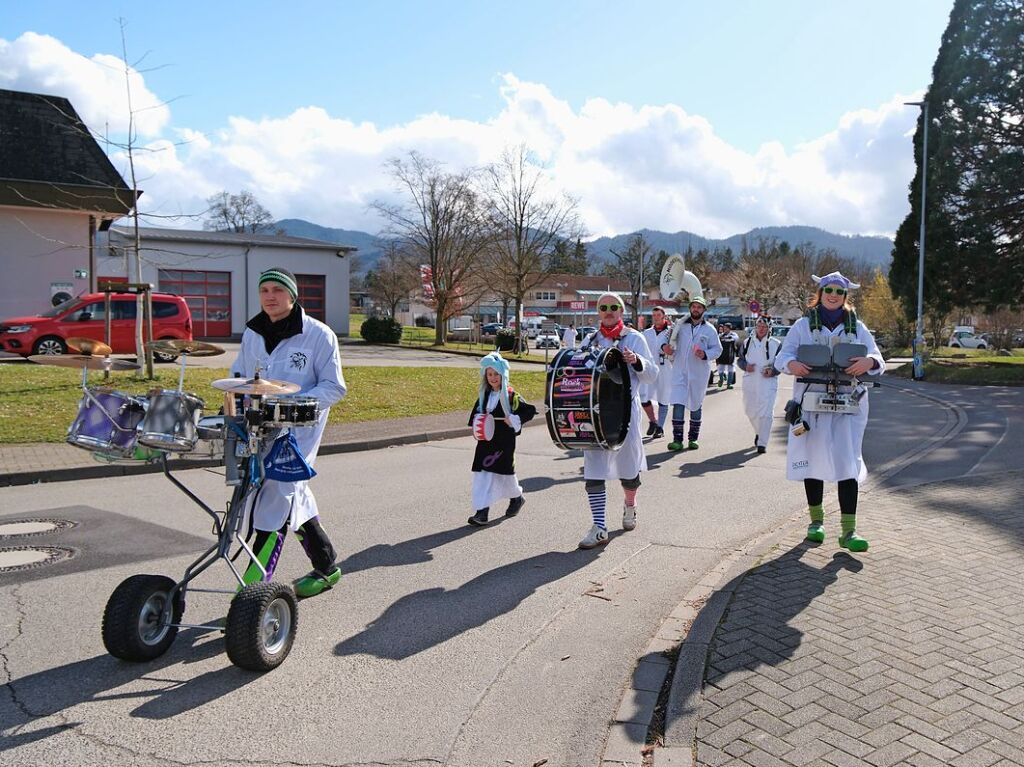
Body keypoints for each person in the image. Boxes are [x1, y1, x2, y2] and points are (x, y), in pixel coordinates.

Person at [231, 267, 347, 598]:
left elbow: (334, 387)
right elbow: (238, 374)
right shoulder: (252, 332)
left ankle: (250, 592)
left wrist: (291, 406)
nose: (269, 296)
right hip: (258, 430)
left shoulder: (319, 334)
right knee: (292, 496)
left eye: (277, 290)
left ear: (292, 295)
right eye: (264, 289)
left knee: (276, 498)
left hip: (298, 434)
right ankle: (327, 567)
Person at [775, 272, 884, 552]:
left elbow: (877, 357)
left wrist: (868, 362)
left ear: (845, 296)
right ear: (820, 293)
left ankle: (849, 531)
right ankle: (816, 523)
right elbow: (781, 357)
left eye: (839, 291)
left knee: (847, 460)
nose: (833, 295)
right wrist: (792, 365)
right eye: (828, 290)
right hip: (811, 400)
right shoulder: (802, 325)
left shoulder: (857, 326)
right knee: (812, 458)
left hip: (847, 402)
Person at [578, 292, 658, 549]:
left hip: (625, 413)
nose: (608, 311)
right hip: (595, 414)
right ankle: (599, 527)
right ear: (598, 312)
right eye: (604, 308)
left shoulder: (635, 338)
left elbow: (652, 374)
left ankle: (630, 505)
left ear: (621, 312)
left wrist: (637, 362)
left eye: (613, 307)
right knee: (593, 468)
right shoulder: (590, 340)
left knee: (629, 468)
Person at [467, 352, 537, 526]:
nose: (492, 378)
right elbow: (475, 416)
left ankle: (516, 498)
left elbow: (529, 411)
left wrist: (513, 419)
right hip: (485, 443)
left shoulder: (512, 396)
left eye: (496, 374)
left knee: (504, 475)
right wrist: (478, 424)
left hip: (503, 442)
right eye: (489, 374)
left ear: (502, 375)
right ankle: (482, 512)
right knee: (483, 475)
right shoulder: (484, 396)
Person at [663, 297, 722, 451]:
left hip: (699, 373)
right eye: (693, 306)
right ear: (690, 308)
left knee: (696, 405)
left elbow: (718, 349)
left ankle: (693, 438)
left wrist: (705, 354)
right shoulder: (680, 326)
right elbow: (667, 339)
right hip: (679, 371)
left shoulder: (710, 329)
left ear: (704, 310)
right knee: (678, 403)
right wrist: (666, 348)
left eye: (699, 307)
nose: (696, 309)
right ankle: (677, 439)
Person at [738, 316, 782, 454]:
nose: (762, 329)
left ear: (769, 328)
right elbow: (740, 360)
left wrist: (773, 371)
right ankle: (759, 432)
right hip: (750, 380)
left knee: (766, 412)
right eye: (759, 326)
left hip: (767, 382)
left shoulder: (776, 344)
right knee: (750, 410)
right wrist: (745, 366)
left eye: (765, 327)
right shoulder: (747, 342)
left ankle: (762, 442)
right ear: (756, 327)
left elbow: (781, 363)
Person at [640, 306, 674, 439]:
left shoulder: (671, 332)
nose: (655, 317)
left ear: (664, 316)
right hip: (649, 368)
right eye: (653, 315)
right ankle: (653, 421)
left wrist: (670, 351)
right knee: (644, 397)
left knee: (663, 398)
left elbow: (676, 350)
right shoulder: (647, 333)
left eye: (658, 315)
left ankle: (660, 427)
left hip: (665, 369)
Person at [717, 322, 740, 388]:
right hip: (722, 355)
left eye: (726, 328)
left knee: (731, 369)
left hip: (730, 355)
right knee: (720, 368)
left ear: (730, 328)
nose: (725, 329)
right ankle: (721, 380)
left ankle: (729, 384)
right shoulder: (721, 335)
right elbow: (718, 339)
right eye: (724, 328)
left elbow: (736, 339)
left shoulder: (734, 335)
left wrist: (730, 338)